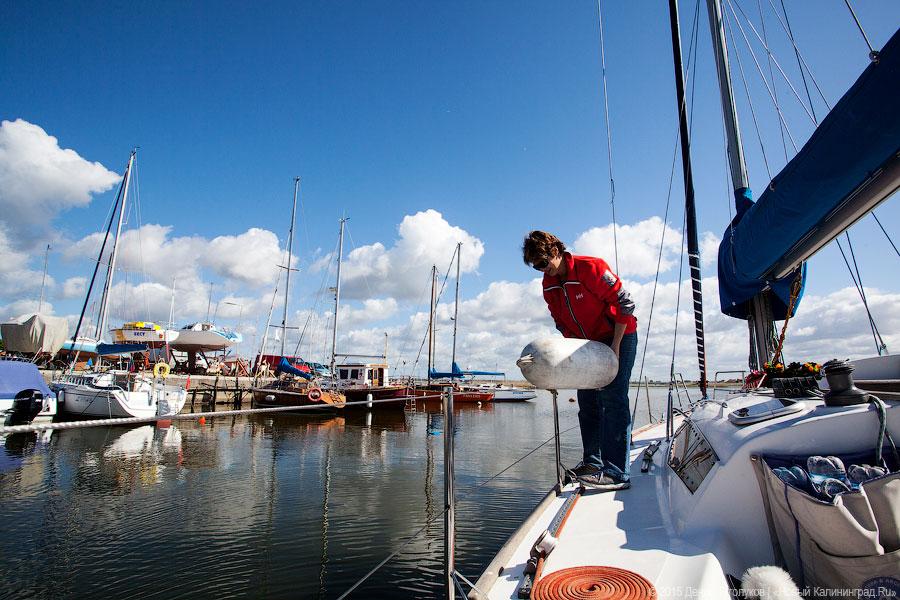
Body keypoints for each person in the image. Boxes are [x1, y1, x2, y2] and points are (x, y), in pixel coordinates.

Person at [522, 230, 638, 491]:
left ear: (555, 251)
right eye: (536, 267)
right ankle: (593, 463)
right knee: (587, 403)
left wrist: (615, 347)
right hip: (588, 345)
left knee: (613, 399)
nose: (542, 270)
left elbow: (626, 303)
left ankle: (617, 473)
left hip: (619, 335)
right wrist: (572, 355)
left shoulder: (590, 268)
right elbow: (559, 321)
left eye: (543, 263)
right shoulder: (548, 285)